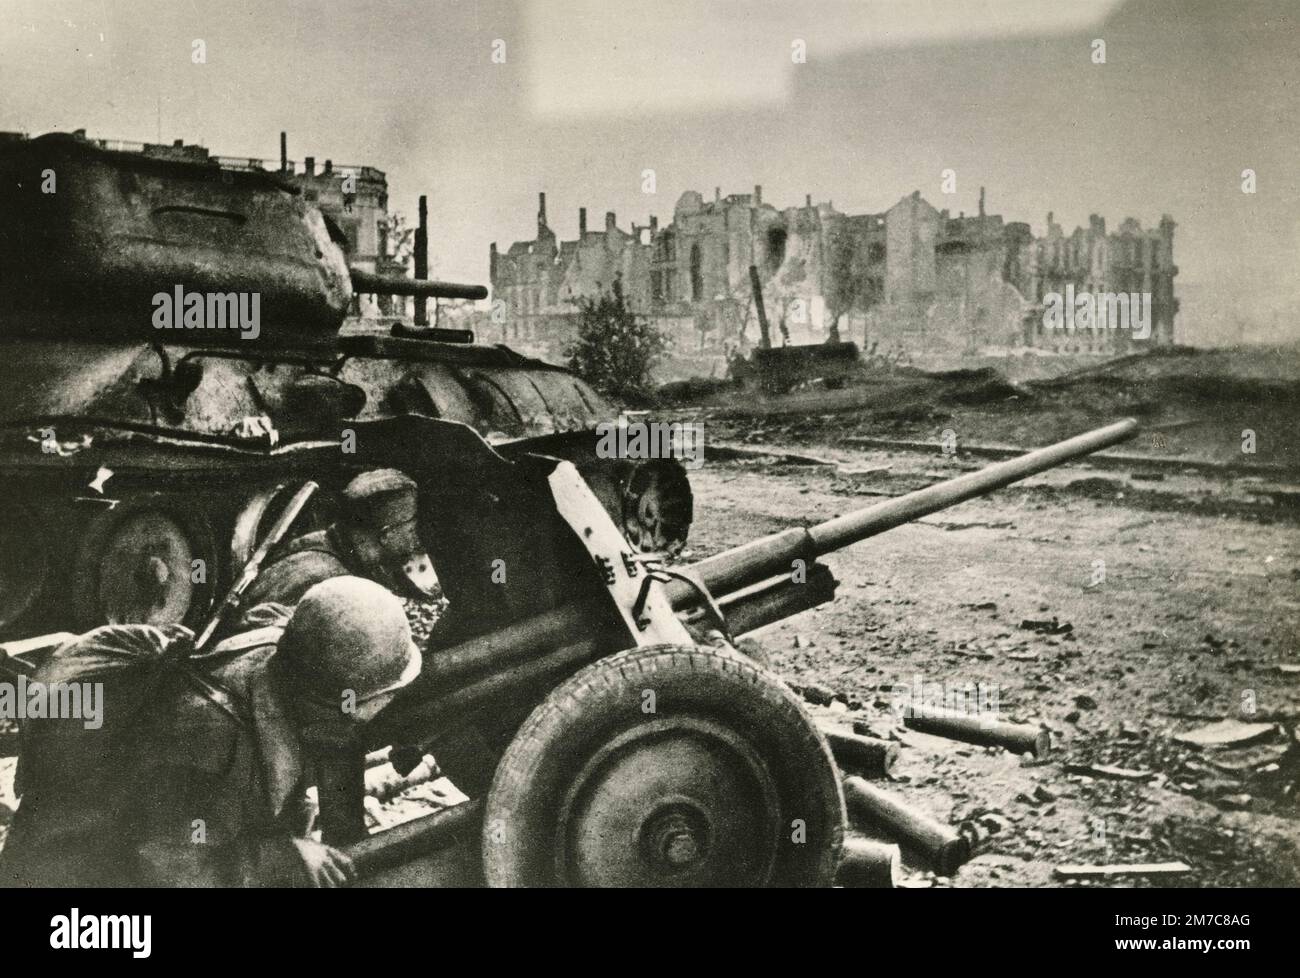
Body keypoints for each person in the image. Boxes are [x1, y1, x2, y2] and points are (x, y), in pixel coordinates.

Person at [0, 577, 421, 888]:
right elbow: (170, 869)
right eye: (374, 699)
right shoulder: (208, 746)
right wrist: (281, 858)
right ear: (332, 701)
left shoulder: (275, 649)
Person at [242, 468, 436, 613]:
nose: (417, 539)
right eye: (412, 529)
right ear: (386, 535)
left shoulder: (321, 543)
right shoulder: (334, 588)